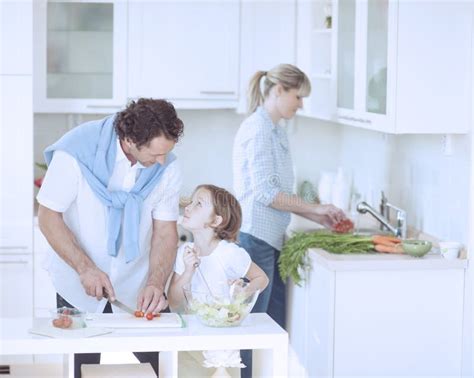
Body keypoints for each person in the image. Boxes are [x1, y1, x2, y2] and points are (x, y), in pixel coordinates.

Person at [37, 98, 184, 377]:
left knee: (159, 367)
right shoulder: (75, 152)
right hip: (78, 284)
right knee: (78, 369)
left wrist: (156, 281)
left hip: (138, 288)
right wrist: (85, 268)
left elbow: (165, 231)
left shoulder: (167, 167)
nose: (162, 161)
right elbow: (48, 216)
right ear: (129, 140)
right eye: (155, 154)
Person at [232, 64, 350, 377]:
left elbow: (278, 193)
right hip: (255, 239)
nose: (300, 104)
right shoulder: (258, 129)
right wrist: (316, 208)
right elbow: (265, 192)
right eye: (298, 96)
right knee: (256, 329)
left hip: (268, 239)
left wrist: (318, 213)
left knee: (273, 328)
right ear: (279, 90)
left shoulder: (274, 130)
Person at [167, 184, 268, 377]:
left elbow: (262, 278)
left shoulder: (229, 253)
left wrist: (244, 291)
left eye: (198, 204)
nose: (187, 207)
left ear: (216, 220)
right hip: (190, 342)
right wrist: (188, 271)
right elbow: (173, 301)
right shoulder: (184, 252)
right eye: (190, 201)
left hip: (223, 346)